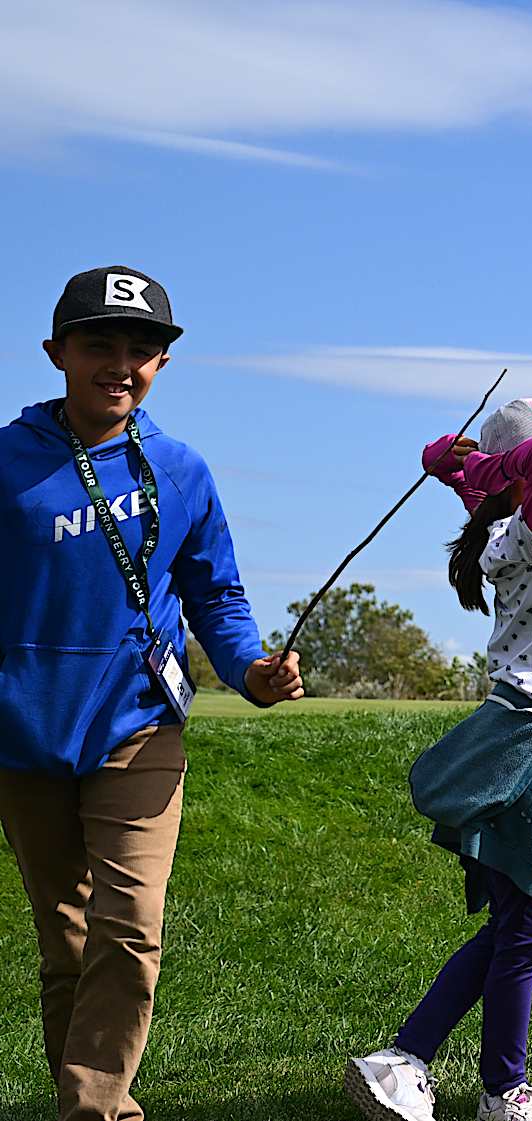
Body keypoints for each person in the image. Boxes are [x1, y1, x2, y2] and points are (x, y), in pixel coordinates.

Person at [0, 265, 306, 1121]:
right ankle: (82, 1100)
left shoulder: (181, 469)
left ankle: (99, 1110)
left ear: (161, 366)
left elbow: (218, 596)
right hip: (23, 736)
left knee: (129, 931)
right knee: (66, 945)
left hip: (139, 730)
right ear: (57, 352)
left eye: (143, 350)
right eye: (101, 344)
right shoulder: (5, 463)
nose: (122, 364)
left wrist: (250, 671)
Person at [344, 399, 532, 1121]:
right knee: (528, 923)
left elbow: (438, 453)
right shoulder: (519, 534)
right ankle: (503, 1090)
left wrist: (459, 466)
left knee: (516, 924)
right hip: (529, 746)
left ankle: (406, 1060)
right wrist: (482, 465)